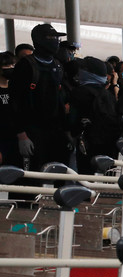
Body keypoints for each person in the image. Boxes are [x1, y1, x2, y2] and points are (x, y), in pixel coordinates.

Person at [10, 24, 69, 171]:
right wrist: (21, 134)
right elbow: (15, 101)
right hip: (33, 131)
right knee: (32, 177)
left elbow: (61, 99)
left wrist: (66, 131)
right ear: (39, 40)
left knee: (59, 174)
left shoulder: (58, 66)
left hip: (56, 131)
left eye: (57, 37)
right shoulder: (26, 65)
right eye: (51, 37)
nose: (56, 41)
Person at [68, 56, 122, 173]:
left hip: (87, 145)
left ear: (89, 73)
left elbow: (72, 120)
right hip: (108, 146)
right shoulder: (108, 95)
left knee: (85, 179)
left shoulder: (79, 92)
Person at [0, 51, 20, 167]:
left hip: (16, 137)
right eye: (7, 65)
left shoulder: (15, 88)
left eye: (13, 65)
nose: (11, 68)